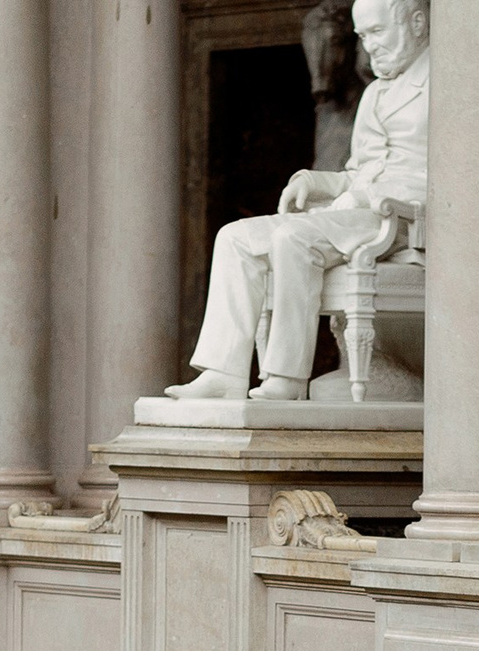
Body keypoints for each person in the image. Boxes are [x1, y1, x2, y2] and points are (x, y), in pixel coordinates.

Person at [167, 0, 430, 402]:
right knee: (234, 237)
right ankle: (223, 372)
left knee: (293, 237)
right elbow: (357, 172)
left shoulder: (446, 84)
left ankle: (286, 379)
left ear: (416, 22)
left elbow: (447, 179)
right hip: (360, 211)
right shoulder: (376, 92)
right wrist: (314, 181)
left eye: (376, 33)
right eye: (362, 36)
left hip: (402, 219)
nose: (368, 47)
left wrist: (362, 195)